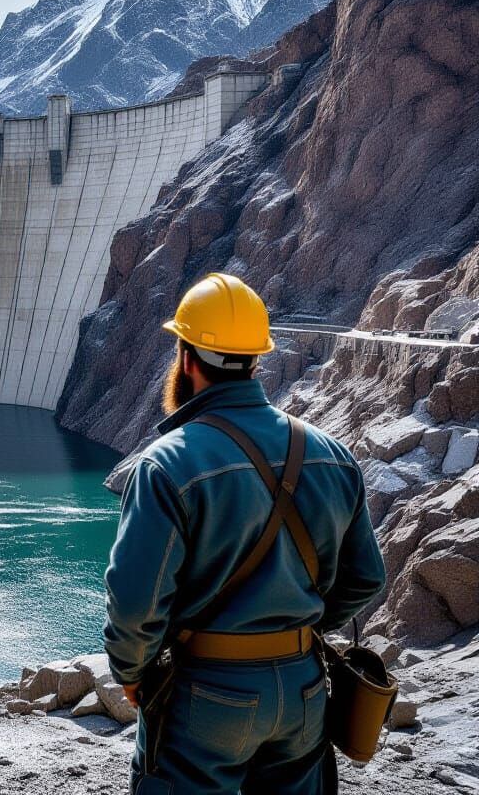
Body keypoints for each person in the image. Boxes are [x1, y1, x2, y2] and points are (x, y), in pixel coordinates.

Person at [104, 273, 386, 795]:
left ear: (186, 359)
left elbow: (135, 602)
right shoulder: (332, 454)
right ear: (258, 359)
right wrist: (294, 628)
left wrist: (132, 671)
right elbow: (366, 579)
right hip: (303, 688)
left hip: (203, 693)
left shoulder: (167, 465)